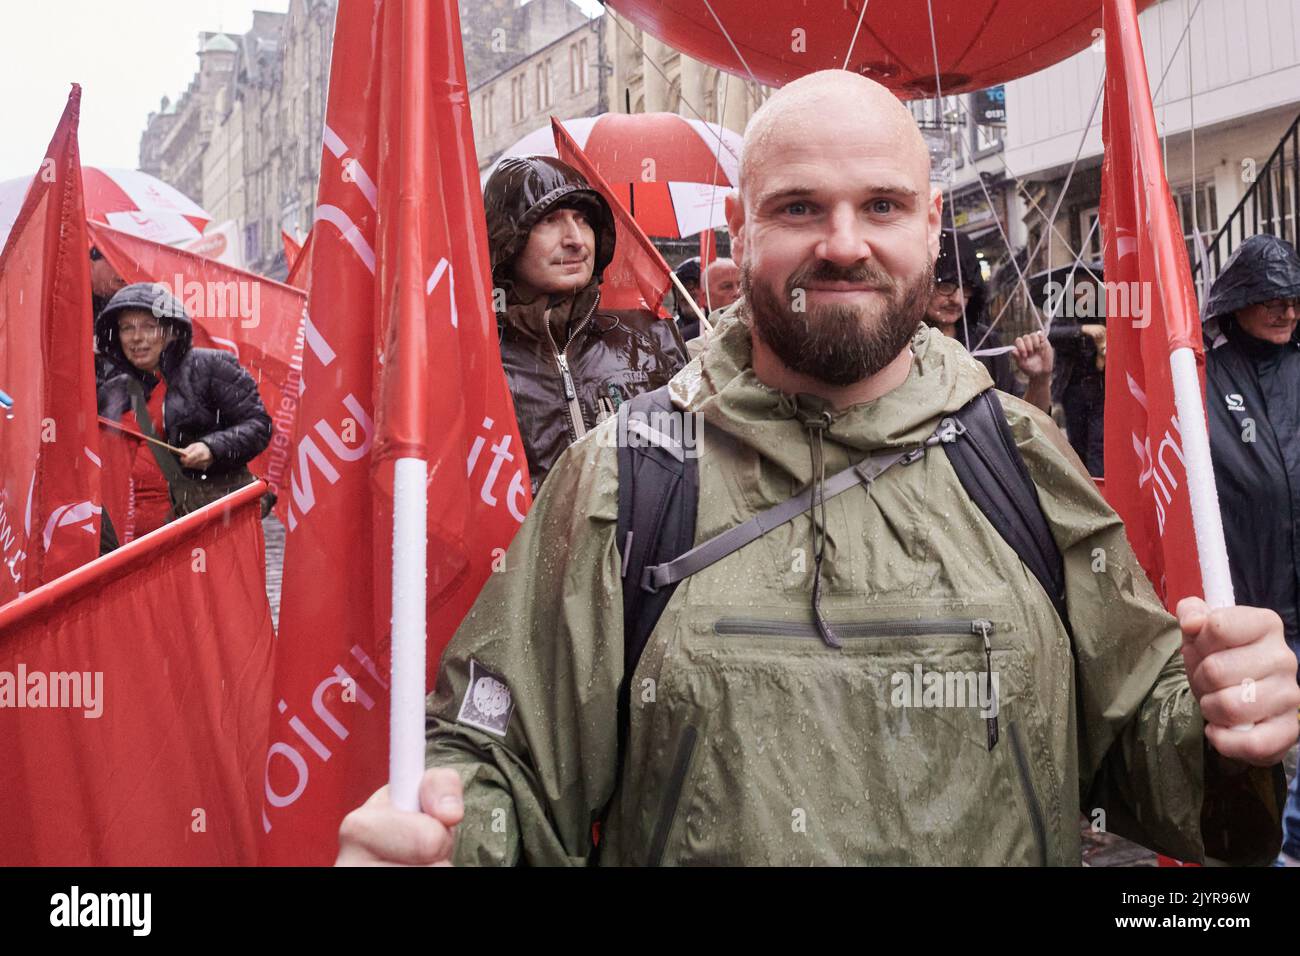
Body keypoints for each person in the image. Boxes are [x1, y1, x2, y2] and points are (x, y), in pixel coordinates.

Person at [338, 71, 1296, 867]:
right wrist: (443, 835)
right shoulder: (625, 478)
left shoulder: (1021, 457)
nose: (844, 243)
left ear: (929, 226)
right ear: (743, 236)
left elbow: (1155, 765)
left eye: (879, 205)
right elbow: (505, 765)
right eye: (799, 208)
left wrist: (1228, 731)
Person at [484, 156, 686, 493]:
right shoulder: (474, 363)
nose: (576, 239)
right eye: (550, 220)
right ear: (507, 238)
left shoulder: (652, 337)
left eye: (583, 220)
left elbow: (696, 468)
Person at [1201, 233, 1300, 865]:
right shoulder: (1202, 375)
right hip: (1249, 608)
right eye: (1271, 297)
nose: (1287, 310)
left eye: (1294, 298)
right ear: (1239, 301)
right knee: (1245, 754)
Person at [96, 282, 272, 547]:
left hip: (201, 534)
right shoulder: (112, 391)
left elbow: (258, 426)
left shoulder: (210, 367)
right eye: (126, 328)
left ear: (171, 331)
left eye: (148, 326)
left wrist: (211, 448)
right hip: (130, 548)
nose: (136, 338)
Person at [924, 229, 1054, 414]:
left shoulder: (985, 341)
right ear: (920, 282)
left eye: (967, 288)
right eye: (946, 285)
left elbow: (1023, 428)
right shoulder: (900, 346)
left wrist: (1040, 380)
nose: (958, 300)